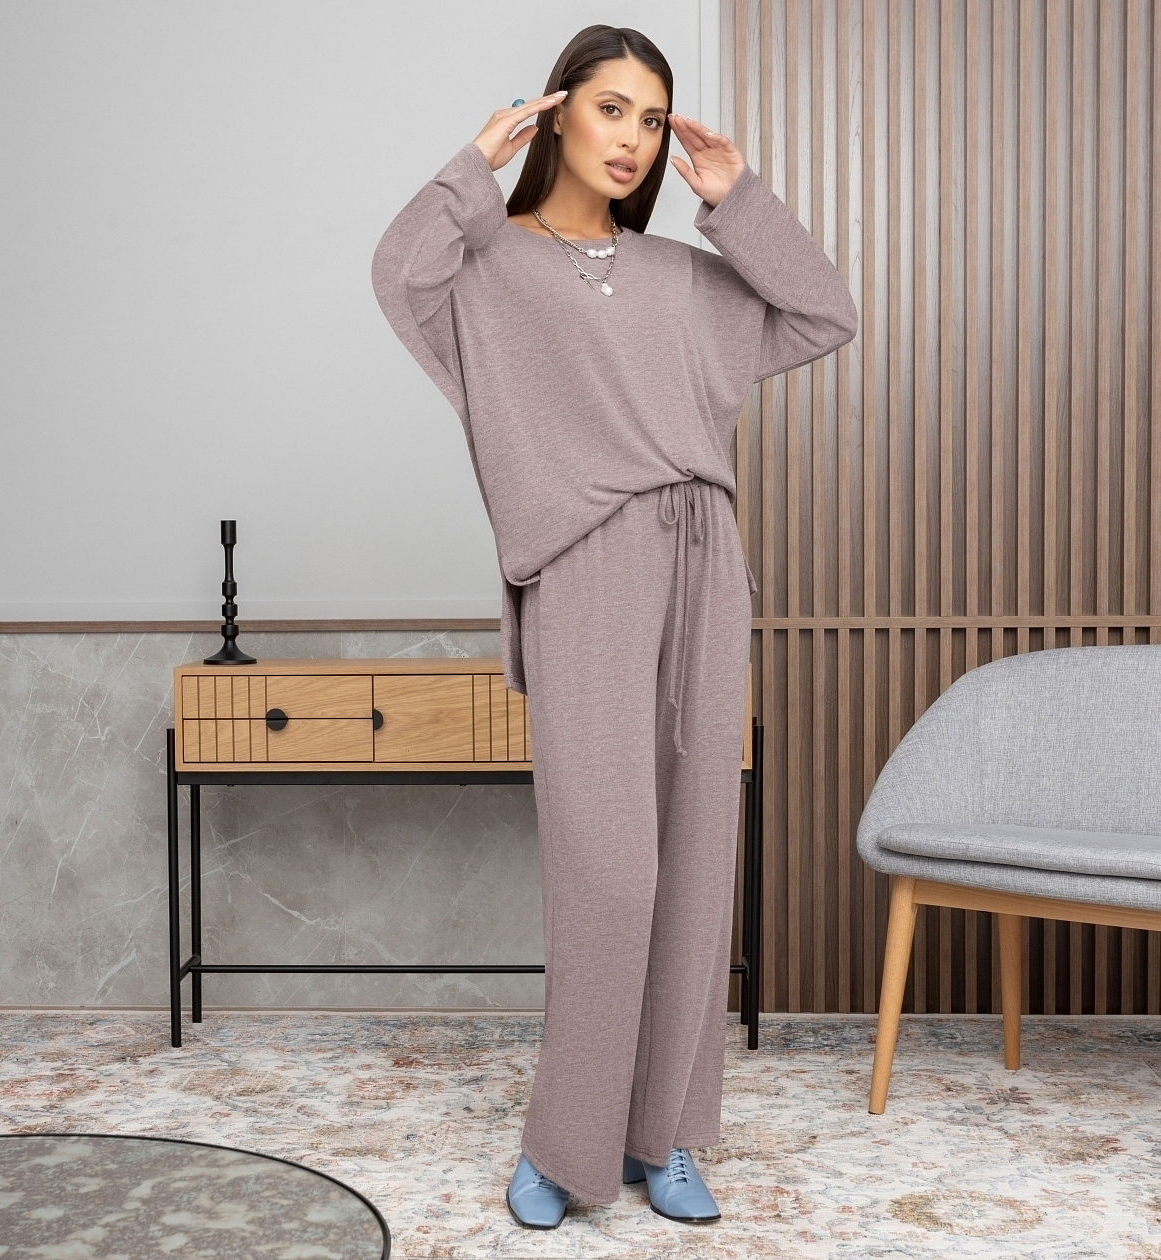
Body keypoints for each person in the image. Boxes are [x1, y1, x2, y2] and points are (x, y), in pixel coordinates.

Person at [371, 23, 856, 1231]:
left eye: (650, 117)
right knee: (609, 869)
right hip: (585, 569)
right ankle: (563, 1144)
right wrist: (474, 169)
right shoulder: (490, 268)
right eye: (610, 109)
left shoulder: (682, 278)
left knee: (693, 857)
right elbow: (399, 276)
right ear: (558, 113)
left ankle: (666, 1135)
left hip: (706, 562)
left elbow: (824, 314)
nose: (632, 138)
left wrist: (738, 201)